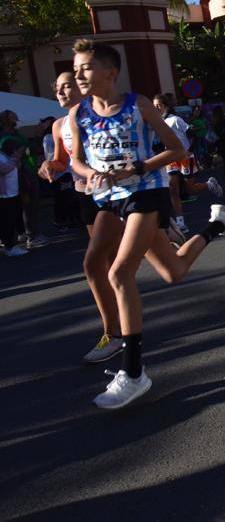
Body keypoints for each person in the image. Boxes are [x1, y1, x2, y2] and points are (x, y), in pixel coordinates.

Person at [68, 39, 225, 409]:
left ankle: (133, 372)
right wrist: (94, 173)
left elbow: (176, 150)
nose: (79, 74)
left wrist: (137, 168)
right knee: (173, 272)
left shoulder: (137, 105)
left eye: (86, 67)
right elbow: (76, 162)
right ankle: (216, 224)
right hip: (109, 198)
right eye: (77, 67)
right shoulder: (79, 114)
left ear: (110, 72)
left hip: (147, 192)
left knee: (119, 274)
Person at [38, 71, 123, 362]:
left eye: (67, 86)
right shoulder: (59, 125)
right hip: (85, 196)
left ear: (82, 88)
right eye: (58, 88)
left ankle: (114, 335)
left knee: (94, 263)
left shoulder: (100, 116)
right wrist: (49, 166)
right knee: (111, 265)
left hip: (111, 194)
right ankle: (125, 326)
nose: (61, 92)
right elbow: (62, 161)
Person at [152, 94, 223, 240]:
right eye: (155, 106)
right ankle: (180, 222)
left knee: (190, 189)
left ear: (166, 106)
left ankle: (208, 184)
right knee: (173, 189)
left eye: (159, 105)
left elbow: (194, 135)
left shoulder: (175, 120)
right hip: (170, 158)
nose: (156, 108)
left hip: (185, 157)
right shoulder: (157, 123)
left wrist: (189, 151)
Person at [0, 110, 47, 248]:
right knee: (28, 205)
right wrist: (38, 134)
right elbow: (26, 149)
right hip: (20, 176)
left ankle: (22, 233)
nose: (17, 117)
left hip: (25, 173)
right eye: (13, 116)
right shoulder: (6, 138)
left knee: (24, 206)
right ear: (7, 120)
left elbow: (29, 149)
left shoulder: (16, 134)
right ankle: (32, 235)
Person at [0, 138, 28, 256]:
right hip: (4, 196)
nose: (21, 154)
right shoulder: (3, 158)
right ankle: (9, 247)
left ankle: (11, 242)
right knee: (7, 221)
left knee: (13, 218)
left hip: (13, 194)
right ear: (13, 150)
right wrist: (14, 162)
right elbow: (3, 170)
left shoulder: (7, 157)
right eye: (19, 152)